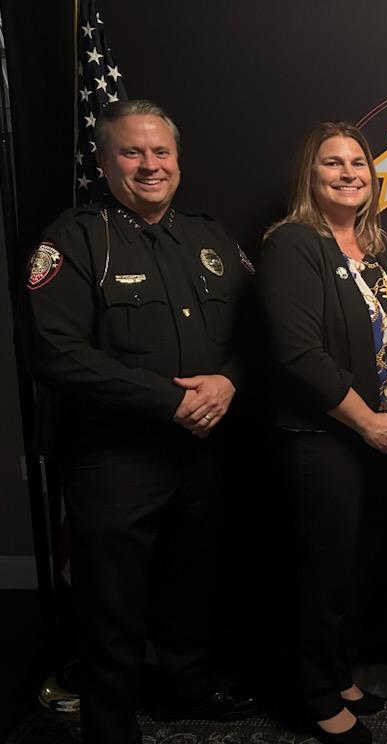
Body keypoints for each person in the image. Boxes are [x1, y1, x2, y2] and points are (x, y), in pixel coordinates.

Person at [26, 99, 256, 744]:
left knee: (192, 581)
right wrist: (168, 399)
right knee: (112, 603)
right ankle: (110, 720)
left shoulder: (211, 238)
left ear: (178, 160)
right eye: (132, 152)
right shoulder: (73, 239)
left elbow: (257, 331)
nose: (149, 165)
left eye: (161, 152)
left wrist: (229, 379)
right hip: (115, 457)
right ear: (104, 162)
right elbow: (56, 352)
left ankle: (187, 685)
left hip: (204, 449)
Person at [259, 122, 387, 744]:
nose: (349, 172)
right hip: (323, 437)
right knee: (322, 571)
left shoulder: (373, 249)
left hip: (378, 434)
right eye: (333, 163)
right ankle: (314, 695)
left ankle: (338, 671)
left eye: (358, 162)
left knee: (355, 565)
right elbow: (299, 354)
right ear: (310, 175)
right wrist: (368, 419)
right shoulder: (294, 244)